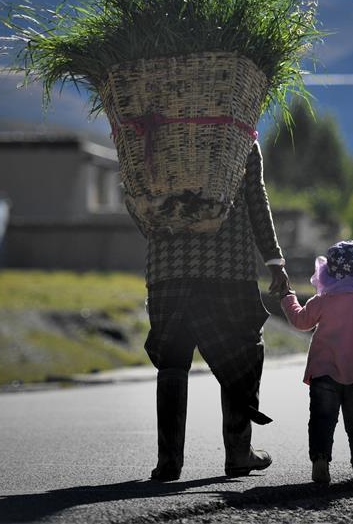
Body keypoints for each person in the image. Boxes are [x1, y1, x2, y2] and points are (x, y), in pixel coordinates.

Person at [134, 140, 289, 482]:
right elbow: (256, 203)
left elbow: (137, 201)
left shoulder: (155, 140)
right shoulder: (239, 138)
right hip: (227, 269)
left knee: (172, 360)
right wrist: (275, 261)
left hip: (167, 269)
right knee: (242, 354)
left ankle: (169, 462)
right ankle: (238, 452)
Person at [271, 240, 353, 488]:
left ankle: (320, 460)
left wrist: (288, 297)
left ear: (328, 272)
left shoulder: (322, 301)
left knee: (321, 420)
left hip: (324, 374)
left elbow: (300, 321)